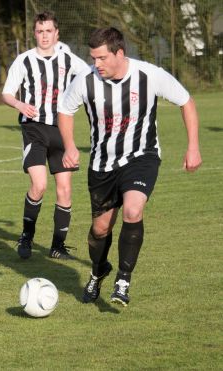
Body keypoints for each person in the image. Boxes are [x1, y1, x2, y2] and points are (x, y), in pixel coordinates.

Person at [58, 27, 202, 306]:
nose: (96, 64)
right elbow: (65, 110)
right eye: (93, 58)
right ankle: (98, 271)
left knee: (133, 211)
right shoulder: (84, 81)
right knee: (100, 229)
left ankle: (123, 279)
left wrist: (193, 146)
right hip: (102, 164)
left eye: (101, 58)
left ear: (119, 53)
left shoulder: (149, 75)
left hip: (141, 156)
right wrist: (70, 146)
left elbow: (186, 101)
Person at [2, 11, 88, 260]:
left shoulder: (68, 59)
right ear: (34, 33)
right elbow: (7, 93)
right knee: (39, 185)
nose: (44, 36)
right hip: (34, 129)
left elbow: (89, 77)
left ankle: (57, 247)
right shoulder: (24, 60)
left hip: (62, 129)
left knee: (65, 191)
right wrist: (19, 105)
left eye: (48, 31)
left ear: (56, 33)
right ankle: (26, 236)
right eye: (40, 31)